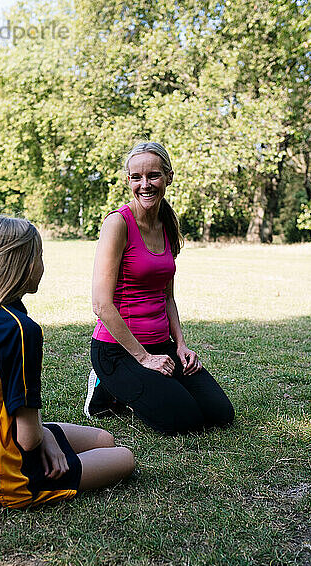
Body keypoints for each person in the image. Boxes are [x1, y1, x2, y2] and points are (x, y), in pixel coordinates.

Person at [0, 216, 134, 512]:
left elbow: (26, 428)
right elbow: (28, 438)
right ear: (22, 264)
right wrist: (41, 438)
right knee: (124, 456)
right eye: (39, 256)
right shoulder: (20, 330)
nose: (42, 266)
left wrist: (45, 435)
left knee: (104, 438)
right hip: (3, 482)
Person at [84, 141, 235, 435]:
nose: (145, 184)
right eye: (136, 177)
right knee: (185, 421)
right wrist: (144, 359)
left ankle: (145, 384)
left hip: (161, 347)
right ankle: (106, 389)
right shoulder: (117, 224)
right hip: (117, 350)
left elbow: (168, 297)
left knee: (220, 413)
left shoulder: (166, 224)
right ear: (128, 180)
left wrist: (180, 345)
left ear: (168, 176)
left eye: (153, 175)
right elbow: (101, 305)